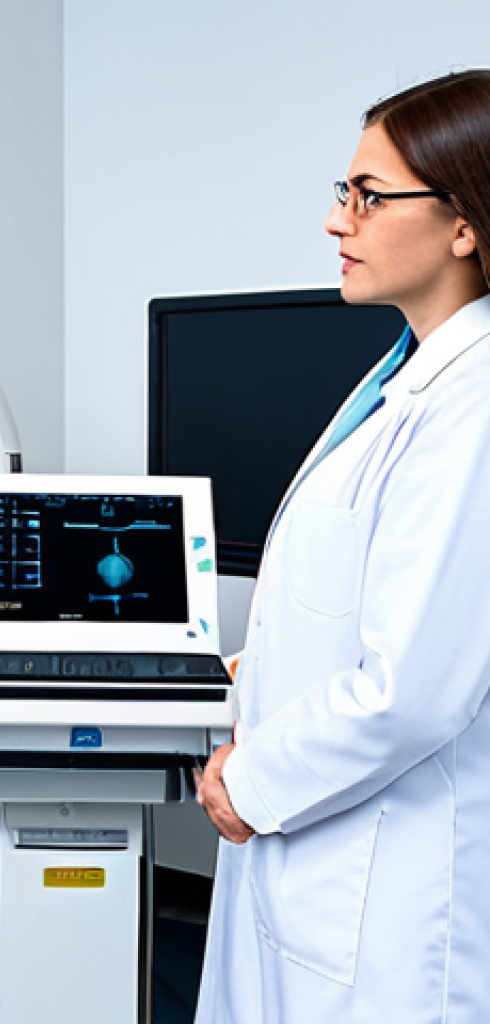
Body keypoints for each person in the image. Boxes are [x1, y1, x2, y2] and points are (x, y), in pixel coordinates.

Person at [193, 69, 490, 1024]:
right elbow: (368, 604)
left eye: (368, 196)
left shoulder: (475, 408)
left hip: (389, 890)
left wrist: (249, 779)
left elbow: (414, 691)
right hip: (327, 854)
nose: (337, 221)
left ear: (465, 224)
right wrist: (263, 666)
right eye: (342, 192)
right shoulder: (407, 374)